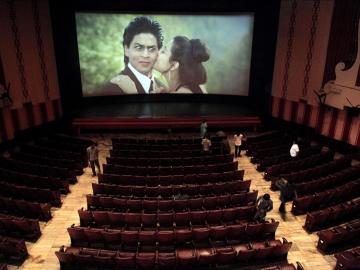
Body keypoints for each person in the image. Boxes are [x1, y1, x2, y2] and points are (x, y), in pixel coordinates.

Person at [94, 16, 164, 95]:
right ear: (126, 50)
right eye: (138, 47)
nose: (145, 55)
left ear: (158, 52)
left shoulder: (163, 88)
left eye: (151, 49)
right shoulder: (112, 88)